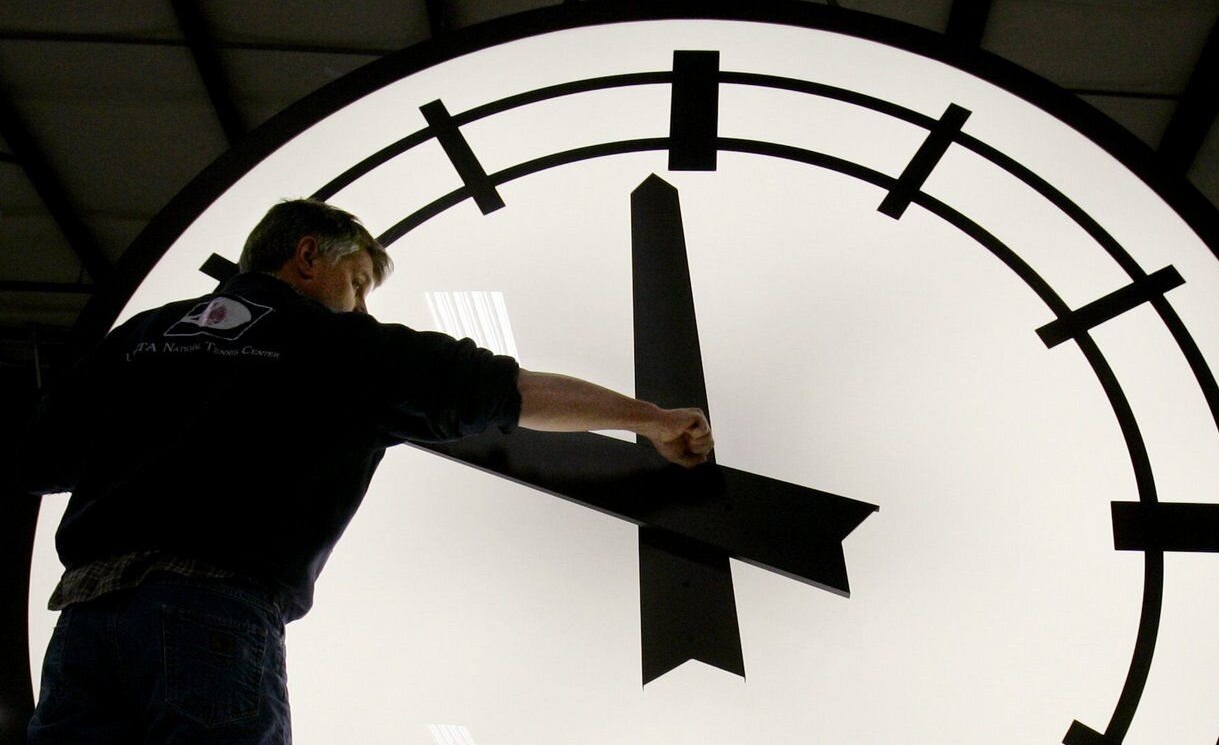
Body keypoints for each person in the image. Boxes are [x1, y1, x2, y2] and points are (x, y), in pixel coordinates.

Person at [17, 198, 712, 743]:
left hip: (85, 619)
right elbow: (512, 392)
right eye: (356, 283)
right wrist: (650, 419)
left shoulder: (142, 337)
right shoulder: (336, 346)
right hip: (213, 613)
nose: (361, 305)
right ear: (307, 256)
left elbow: (35, 458)